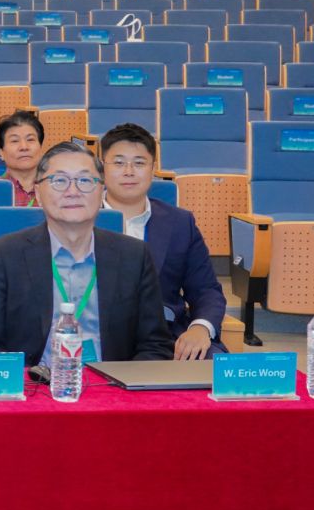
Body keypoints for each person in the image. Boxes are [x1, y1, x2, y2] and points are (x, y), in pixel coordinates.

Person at [0, 141, 174, 363]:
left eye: (85, 180)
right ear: (38, 192)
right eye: (59, 181)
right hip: (32, 381)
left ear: (101, 191)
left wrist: (122, 383)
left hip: (111, 381)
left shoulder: (134, 256)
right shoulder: (5, 254)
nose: (73, 191)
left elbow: (155, 344)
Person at [98, 123, 228, 360]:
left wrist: (200, 328)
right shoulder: (80, 218)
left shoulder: (180, 223)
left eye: (139, 163)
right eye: (118, 163)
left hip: (165, 336)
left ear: (153, 168)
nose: (129, 171)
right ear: (102, 168)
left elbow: (206, 290)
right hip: (96, 334)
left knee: (213, 364)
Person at [0, 109, 45, 207]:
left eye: (30, 139)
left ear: (41, 148)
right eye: (14, 141)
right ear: (1, 153)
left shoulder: (55, 187)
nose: (24, 147)